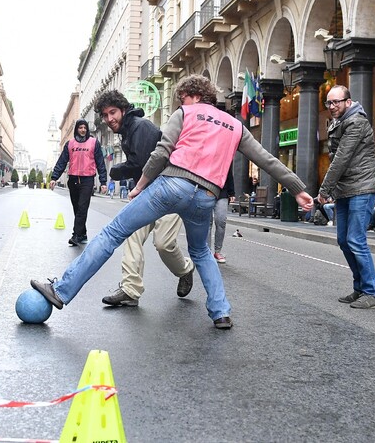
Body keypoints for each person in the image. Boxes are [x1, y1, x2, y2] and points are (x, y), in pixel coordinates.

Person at [31, 75, 312, 329]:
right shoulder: (235, 125)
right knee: (201, 252)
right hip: (206, 196)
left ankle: (61, 291)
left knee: (113, 233)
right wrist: (297, 189)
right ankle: (221, 311)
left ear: (193, 96)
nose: (180, 101)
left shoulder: (186, 112)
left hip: (170, 186)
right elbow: (266, 159)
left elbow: (161, 154)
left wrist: (140, 186)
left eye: (182, 97)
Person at [93, 90, 195, 307]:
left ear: (123, 109)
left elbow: (144, 163)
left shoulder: (141, 127)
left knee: (164, 244)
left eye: (113, 112)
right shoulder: (128, 131)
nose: (109, 119)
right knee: (131, 235)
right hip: (146, 193)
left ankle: (185, 269)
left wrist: (117, 171)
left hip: (169, 190)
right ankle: (130, 289)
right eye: (105, 115)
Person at [317, 84, 375, 309]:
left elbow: (341, 158)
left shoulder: (356, 122)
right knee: (344, 240)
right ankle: (360, 289)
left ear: (348, 102)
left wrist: (324, 191)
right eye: (329, 102)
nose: (332, 106)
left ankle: (372, 293)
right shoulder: (340, 121)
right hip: (347, 188)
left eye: (337, 101)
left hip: (363, 187)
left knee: (355, 240)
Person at [50, 119, 108, 246]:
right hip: (73, 179)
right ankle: (82, 233)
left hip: (87, 180)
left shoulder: (94, 143)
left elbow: (100, 163)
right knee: (77, 208)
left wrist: (103, 181)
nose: (83, 130)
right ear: (77, 129)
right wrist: (54, 178)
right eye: (80, 127)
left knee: (82, 207)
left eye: (85, 128)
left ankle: (76, 235)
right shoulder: (70, 144)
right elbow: (62, 162)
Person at [209, 169, 235, 263]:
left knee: (221, 221)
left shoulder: (225, 154)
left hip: (222, 192)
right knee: (207, 223)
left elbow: (229, 172)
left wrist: (232, 192)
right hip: (206, 190)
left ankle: (217, 251)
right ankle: (206, 252)